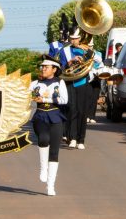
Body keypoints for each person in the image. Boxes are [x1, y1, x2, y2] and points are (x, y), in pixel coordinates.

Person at [30, 55, 68, 196]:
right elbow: (26, 96)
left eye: (46, 67)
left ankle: (50, 185)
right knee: (43, 139)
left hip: (55, 115)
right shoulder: (35, 83)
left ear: (54, 69)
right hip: (40, 116)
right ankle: (43, 167)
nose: (43, 69)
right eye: (42, 67)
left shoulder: (60, 82)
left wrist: (45, 98)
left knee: (55, 152)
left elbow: (64, 100)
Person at [59, 27, 100, 150]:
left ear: (80, 38)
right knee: (72, 109)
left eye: (76, 38)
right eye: (72, 38)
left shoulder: (86, 49)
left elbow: (97, 61)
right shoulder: (64, 51)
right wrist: (71, 61)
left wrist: (87, 53)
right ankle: (72, 138)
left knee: (82, 111)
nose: (73, 41)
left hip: (83, 82)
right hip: (70, 82)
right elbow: (61, 68)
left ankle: (81, 139)